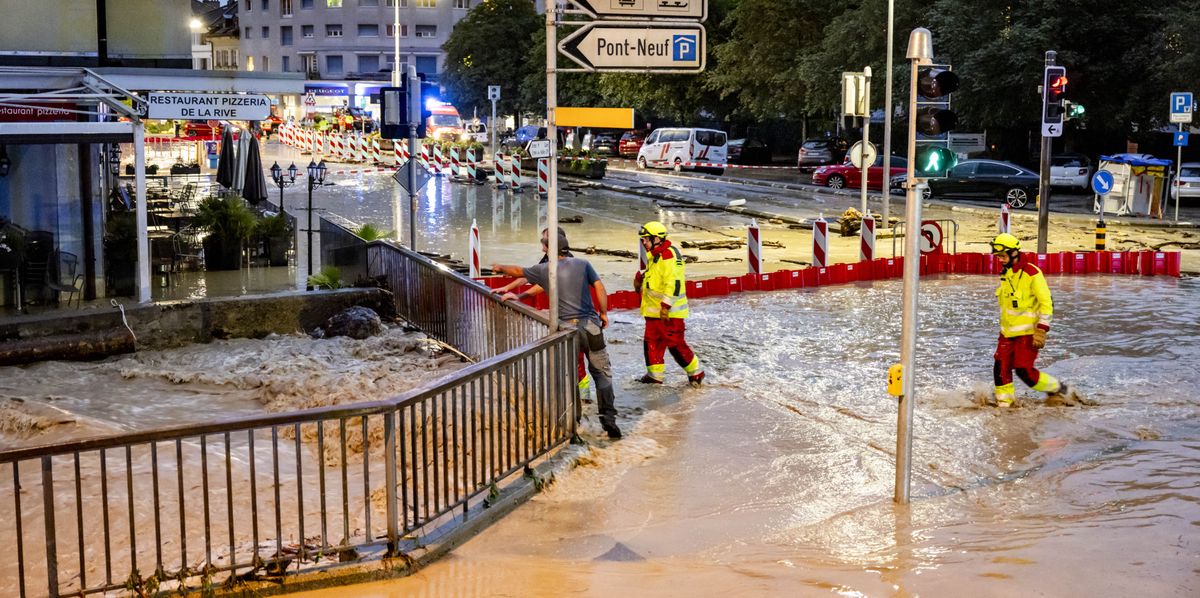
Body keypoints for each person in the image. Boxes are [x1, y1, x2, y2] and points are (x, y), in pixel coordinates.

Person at [492, 229, 621, 439]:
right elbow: (599, 287)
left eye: (544, 246)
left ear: (551, 249)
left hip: (567, 331)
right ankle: (609, 420)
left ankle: (574, 422)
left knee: (568, 376)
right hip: (591, 326)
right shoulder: (583, 264)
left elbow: (518, 271)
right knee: (603, 374)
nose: (542, 248)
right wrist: (604, 313)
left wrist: (499, 268)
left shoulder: (546, 269)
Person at [990, 233, 1072, 407]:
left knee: (1024, 372)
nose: (1000, 260)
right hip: (1007, 333)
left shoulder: (1032, 273)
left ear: (1014, 253)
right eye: (998, 257)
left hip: (1028, 334)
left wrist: (1042, 329)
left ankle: (1059, 389)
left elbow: (1046, 303)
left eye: (1003, 256)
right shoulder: (1006, 274)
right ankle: (1005, 407)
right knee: (1000, 368)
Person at [635, 221, 704, 387]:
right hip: (653, 313)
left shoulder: (669, 256)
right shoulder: (655, 255)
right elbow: (655, 278)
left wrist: (665, 306)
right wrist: (641, 279)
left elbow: (674, 283)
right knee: (651, 343)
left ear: (656, 238)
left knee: (675, 345)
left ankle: (696, 373)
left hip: (669, 314)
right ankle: (654, 377)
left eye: (646, 239)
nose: (643, 242)